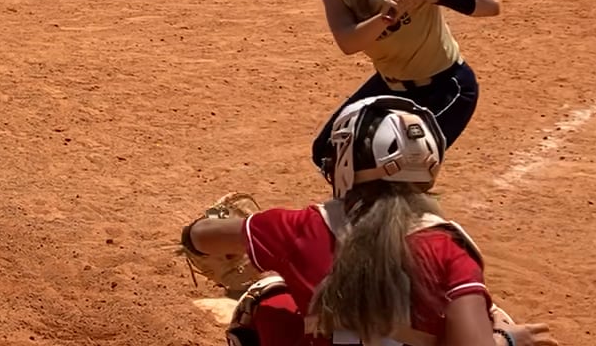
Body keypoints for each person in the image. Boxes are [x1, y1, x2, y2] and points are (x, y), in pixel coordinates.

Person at [180, 96, 555, 346]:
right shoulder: (449, 249)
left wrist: (204, 232)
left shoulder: (299, 227)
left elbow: (197, 237)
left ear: (347, 161)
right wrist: (507, 339)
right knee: (492, 318)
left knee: (268, 301)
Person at [291, 0, 500, 176]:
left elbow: (489, 4)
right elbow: (348, 42)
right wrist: (384, 17)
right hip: (390, 85)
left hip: (445, 87)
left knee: (402, 167)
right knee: (329, 151)